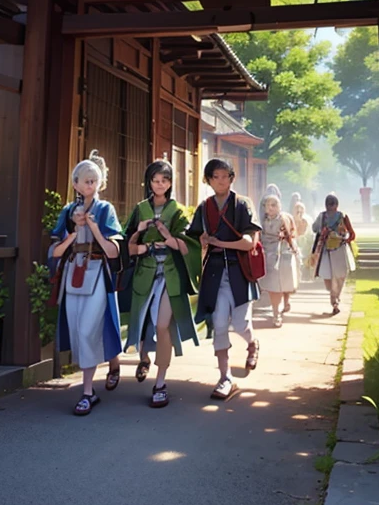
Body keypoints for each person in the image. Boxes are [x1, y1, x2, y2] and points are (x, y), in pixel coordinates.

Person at [49, 151, 122, 416]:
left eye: (94, 180)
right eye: (85, 180)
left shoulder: (105, 209)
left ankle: (88, 392)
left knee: (89, 328)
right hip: (73, 274)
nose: (89, 185)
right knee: (79, 328)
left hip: (97, 274)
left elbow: (114, 251)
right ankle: (109, 366)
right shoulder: (68, 211)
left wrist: (92, 227)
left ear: (100, 183)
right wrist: (72, 232)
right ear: (76, 184)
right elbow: (55, 251)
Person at [124, 160, 201, 408]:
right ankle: (144, 357)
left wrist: (168, 237)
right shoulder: (140, 209)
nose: (160, 184)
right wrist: (140, 231)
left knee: (161, 325)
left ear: (170, 183)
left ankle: (160, 382)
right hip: (145, 272)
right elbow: (128, 244)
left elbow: (188, 245)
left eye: (165, 180)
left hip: (169, 274)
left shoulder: (177, 210)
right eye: (156, 180)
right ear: (149, 182)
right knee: (143, 320)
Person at [188, 158, 261, 400]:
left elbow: (249, 242)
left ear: (232, 177)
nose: (220, 180)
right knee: (219, 324)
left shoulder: (242, 204)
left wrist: (221, 242)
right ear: (208, 180)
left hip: (239, 271)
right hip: (214, 272)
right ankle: (225, 377)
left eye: (224, 176)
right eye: (215, 176)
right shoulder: (204, 207)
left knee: (240, 324)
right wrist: (203, 241)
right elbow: (194, 237)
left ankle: (252, 343)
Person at [312, 194, 356, 315]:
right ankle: (334, 298)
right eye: (329, 204)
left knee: (340, 275)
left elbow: (352, 234)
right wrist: (323, 231)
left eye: (332, 204)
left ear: (337, 205)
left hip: (339, 249)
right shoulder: (322, 216)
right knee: (328, 276)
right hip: (326, 250)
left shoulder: (343, 216)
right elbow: (314, 228)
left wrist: (344, 240)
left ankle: (335, 299)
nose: (330, 206)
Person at [259, 195, 299, 327]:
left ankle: (284, 303)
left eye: (274, 205)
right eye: (268, 205)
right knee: (273, 286)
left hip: (282, 254)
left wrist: (291, 246)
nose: (270, 208)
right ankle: (276, 313)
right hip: (268, 255)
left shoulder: (283, 218)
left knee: (284, 283)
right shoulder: (262, 221)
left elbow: (290, 234)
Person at [293, 201, 314, 281]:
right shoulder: (291, 219)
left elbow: (301, 233)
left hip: (306, 245)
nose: (299, 212)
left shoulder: (307, 220)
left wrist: (299, 221)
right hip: (296, 245)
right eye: (297, 211)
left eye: (301, 211)